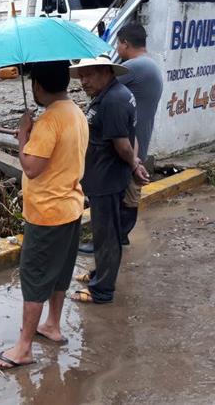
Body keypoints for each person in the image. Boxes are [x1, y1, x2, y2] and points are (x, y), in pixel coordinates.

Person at [0, 61, 88, 369]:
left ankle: (23, 347)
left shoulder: (49, 122)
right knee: (59, 272)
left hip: (47, 214)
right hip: (71, 206)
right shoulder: (77, 114)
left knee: (34, 279)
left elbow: (31, 167)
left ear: (38, 86)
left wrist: (22, 136)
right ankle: (52, 326)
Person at [69, 56, 149, 304]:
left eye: (88, 75)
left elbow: (123, 144)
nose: (83, 81)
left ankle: (102, 290)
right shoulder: (112, 94)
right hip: (103, 176)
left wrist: (134, 164)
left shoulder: (113, 100)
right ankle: (98, 274)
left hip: (107, 178)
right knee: (104, 233)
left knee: (107, 236)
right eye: (81, 76)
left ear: (105, 72)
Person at [115, 24, 164, 243]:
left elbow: (102, 87)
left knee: (123, 191)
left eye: (117, 43)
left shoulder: (133, 67)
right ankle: (120, 236)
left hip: (129, 143)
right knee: (130, 190)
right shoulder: (150, 65)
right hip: (140, 139)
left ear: (125, 43)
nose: (116, 48)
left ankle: (117, 236)